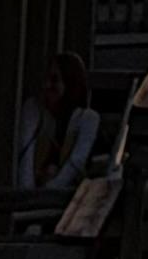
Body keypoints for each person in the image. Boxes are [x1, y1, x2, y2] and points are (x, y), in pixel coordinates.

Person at [12, 52, 100, 200]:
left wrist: (48, 192)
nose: (47, 86)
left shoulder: (87, 119)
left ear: (69, 83)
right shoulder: (35, 110)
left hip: (68, 200)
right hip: (34, 196)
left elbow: (76, 162)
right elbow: (25, 155)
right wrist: (27, 196)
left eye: (54, 80)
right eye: (46, 79)